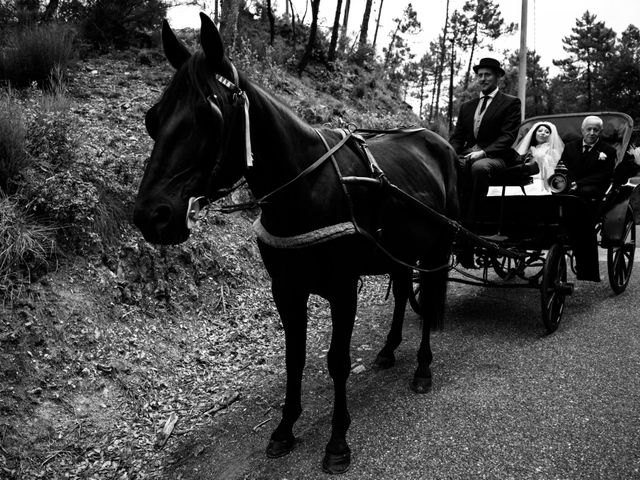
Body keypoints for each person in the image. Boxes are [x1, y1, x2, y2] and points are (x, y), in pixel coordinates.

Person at [449, 57, 521, 267]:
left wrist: (484, 153)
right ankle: (454, 215)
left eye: (487, 75)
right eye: (480, 75)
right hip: (468, 154)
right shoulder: (467, 106)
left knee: (480, 168)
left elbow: (508, 136)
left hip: (498, 157)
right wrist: (449, 153)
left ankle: (472, 223)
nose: (483, 79)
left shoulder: (510, 103)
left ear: (498, 77)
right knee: (454, 165)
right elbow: (457, 137)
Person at [559, 115, 617, 282]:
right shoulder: (570, 147)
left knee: (583, 195)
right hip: (570, 187)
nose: (591, 133)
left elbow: (605, 175)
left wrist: (580, 183)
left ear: (600, 131)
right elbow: (563, 167)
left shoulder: (608, 151)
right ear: (582, 130)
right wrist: (570, 182)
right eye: (588, 129)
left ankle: (586, 268)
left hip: (592, 193)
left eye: (595, 130)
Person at [514, 122, 565, 192]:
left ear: (550, 136)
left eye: (547, 132)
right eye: (540, 131)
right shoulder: (528, 151)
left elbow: (556, 170)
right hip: (527, 181)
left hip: (546, 182)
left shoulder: (554, 152)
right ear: (535, 133)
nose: (543, 133)